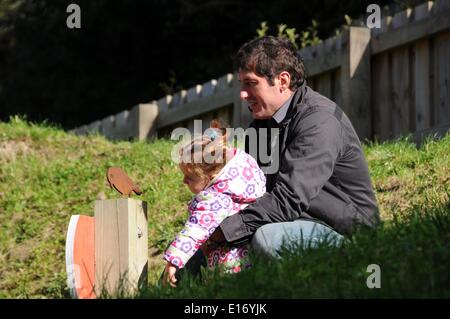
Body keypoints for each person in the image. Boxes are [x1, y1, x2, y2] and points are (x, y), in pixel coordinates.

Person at [201, 35, 381, 259]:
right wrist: (201, 233)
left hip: (346, 233)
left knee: (267, 239)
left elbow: (287, 200)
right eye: (241, 84)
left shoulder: (319, 121)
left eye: (251, 83)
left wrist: (223, 232)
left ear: (283, 81)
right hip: (288, 222)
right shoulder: (259, 129)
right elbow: (250, 194)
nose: (242, 93)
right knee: (195, 259)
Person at [162, 120, 266, 287]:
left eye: (189, 178)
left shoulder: (214, 199)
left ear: (209, 177)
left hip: (229, 264)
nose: (183, 181)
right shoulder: (243, 174)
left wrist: (174, 261)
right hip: (249, 256)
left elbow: (195, 229)